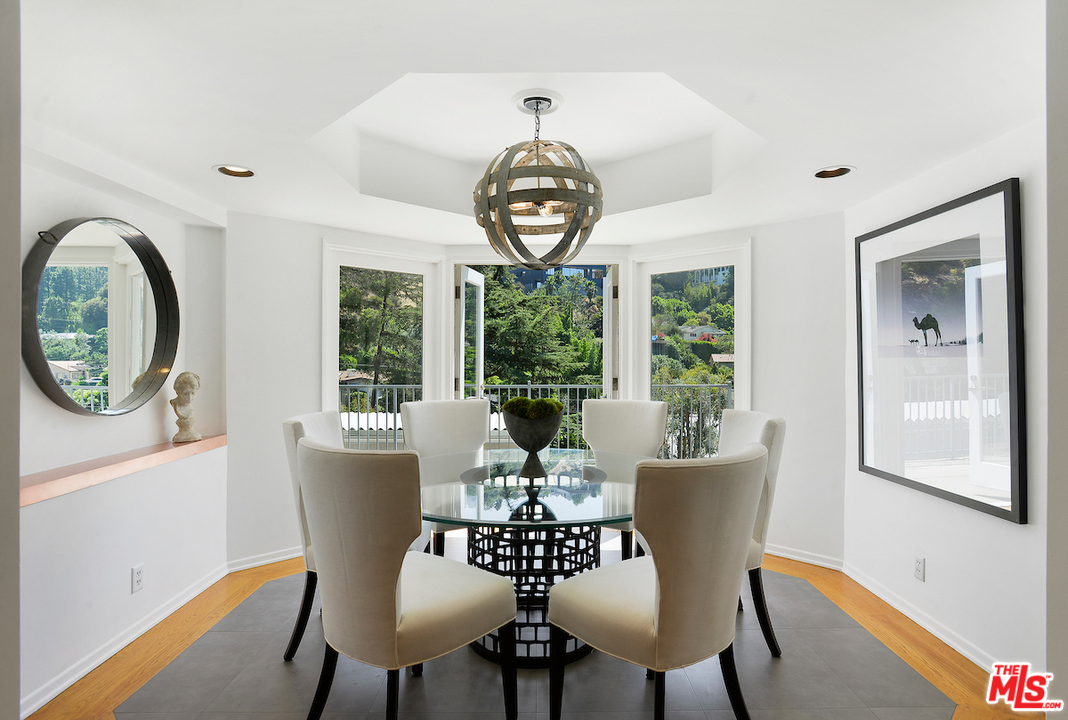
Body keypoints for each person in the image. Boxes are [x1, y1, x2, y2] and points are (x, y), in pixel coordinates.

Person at [170, 371, 202, 442]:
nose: (190, 398)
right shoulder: (175, 405)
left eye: (193, 393)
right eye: (185, 393)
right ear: (177, 392)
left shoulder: (192, 408)